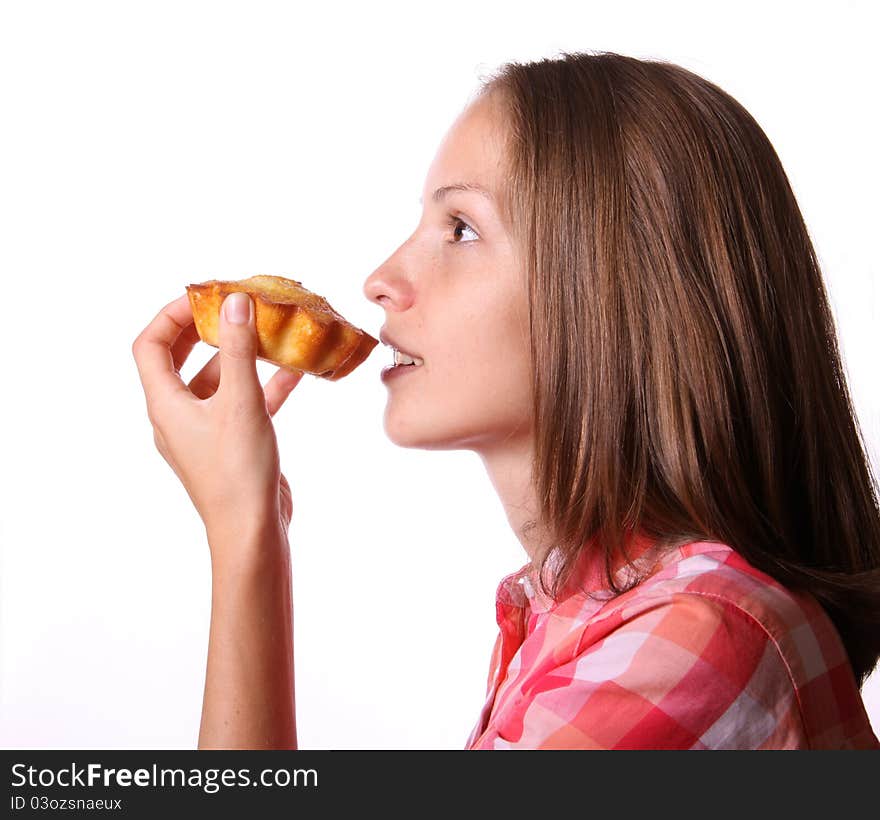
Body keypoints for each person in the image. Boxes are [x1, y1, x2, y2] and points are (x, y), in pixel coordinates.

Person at [132, 50, 880, 749]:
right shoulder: (573, 621)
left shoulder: (695, 642)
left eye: (460, 228)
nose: (380, 280)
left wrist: (244, 541)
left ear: (613, 292)